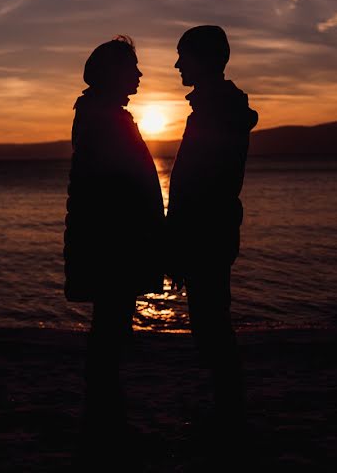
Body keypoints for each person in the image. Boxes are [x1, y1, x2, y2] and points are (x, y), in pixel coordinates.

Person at [63, 35, 165, 438]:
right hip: (112, 244)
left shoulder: (102, 114)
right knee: (110, 327)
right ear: (112, 72)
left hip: (111, 241)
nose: (139, 74)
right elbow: (117, 189)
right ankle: (104, 414)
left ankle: (104, 409)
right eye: (132, 67)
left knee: (111, 326)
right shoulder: (102, 118)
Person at [167, 25, 258, 429]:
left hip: (208, 232)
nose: (176, 64)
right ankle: (228, 406)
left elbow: (201, 184)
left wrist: (180, 240)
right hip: (212, 229)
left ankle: (230, 412)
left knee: (211, 324)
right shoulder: (213, 108)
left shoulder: (216, 112)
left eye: (183, 56)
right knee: (211, 321)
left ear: (205, 60)